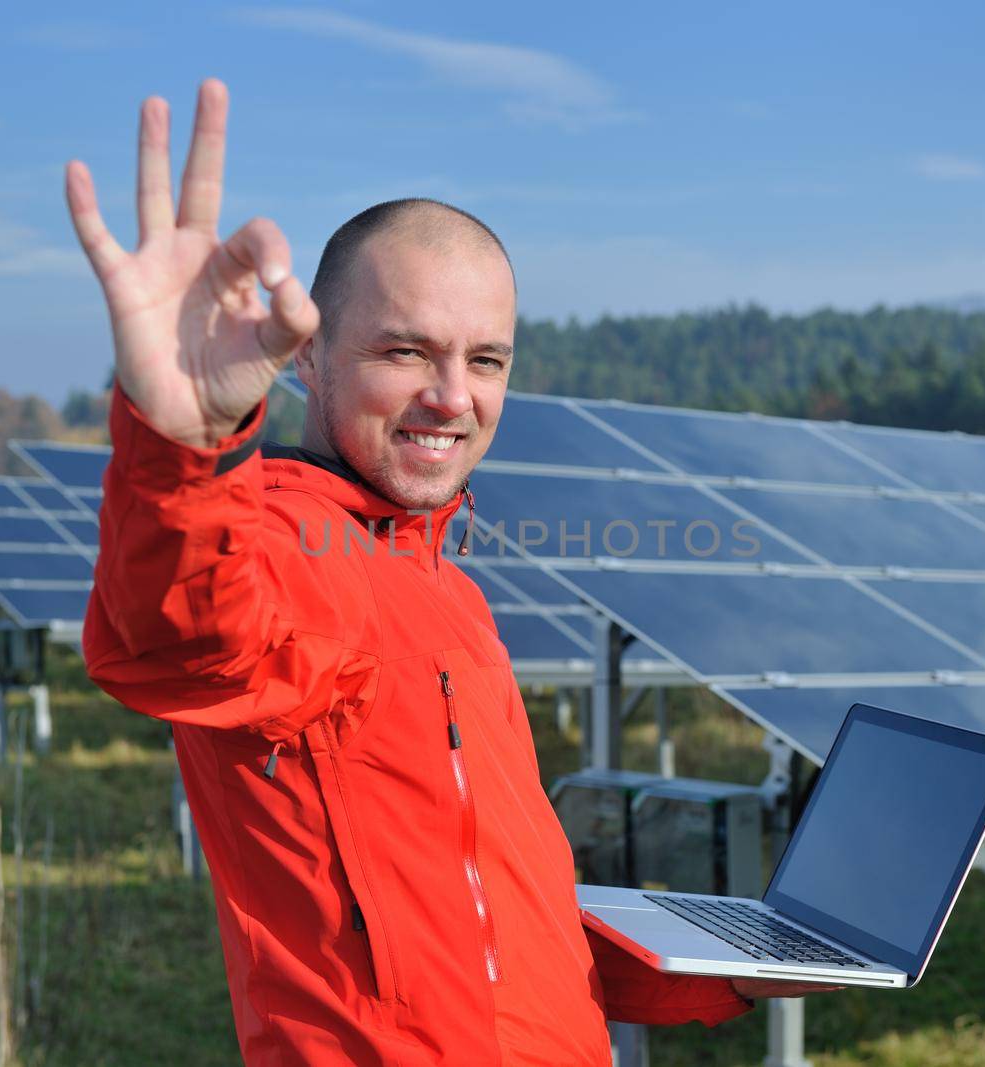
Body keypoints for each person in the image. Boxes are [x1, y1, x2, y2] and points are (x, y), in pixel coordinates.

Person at [68, 78, 834, 1065]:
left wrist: (728, 967)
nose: (451, 396)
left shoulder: (449, 592)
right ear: (308, 357)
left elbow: (497, 930)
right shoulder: (286, 552)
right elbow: (180, 641)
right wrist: (182, 444)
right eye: (404, 349)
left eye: (487, 359)